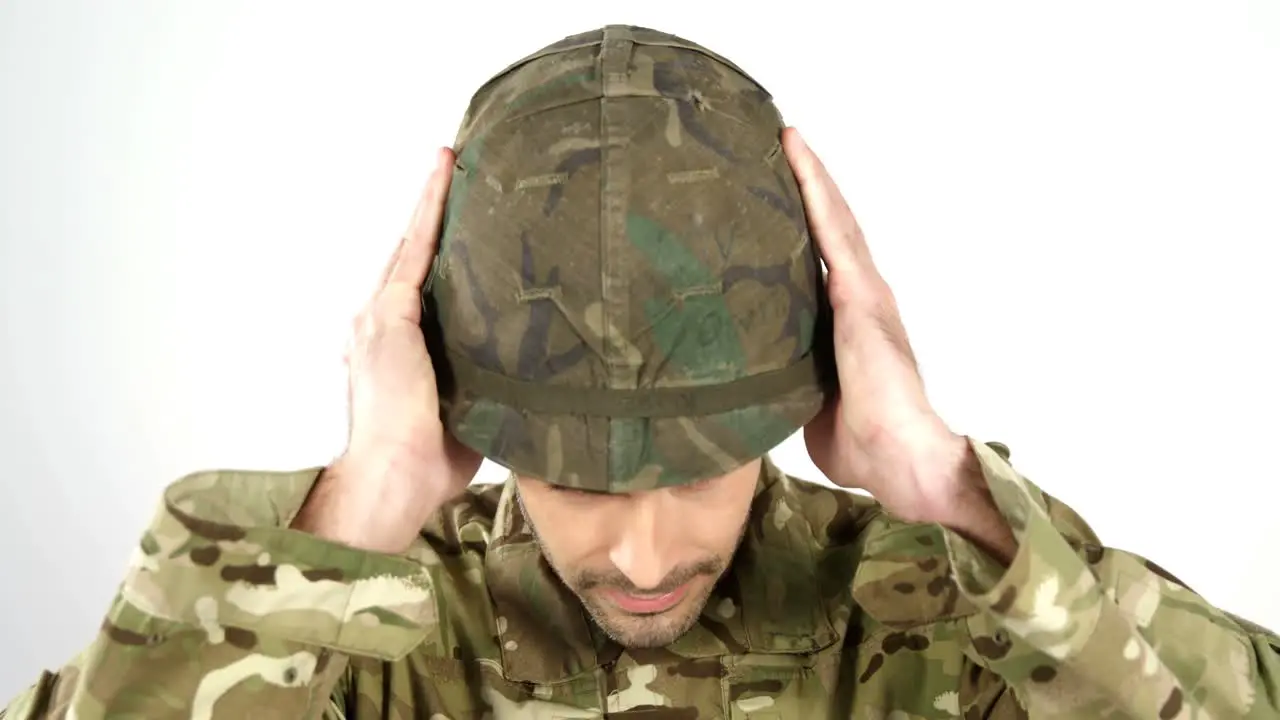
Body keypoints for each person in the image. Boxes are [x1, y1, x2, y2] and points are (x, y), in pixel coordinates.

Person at [4, 24, 1277, 720]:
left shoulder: (944, 629)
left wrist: (943, 487)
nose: (648, 553)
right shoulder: (350, 648)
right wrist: (359, 501)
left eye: (701, 465)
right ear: (466, 415)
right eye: (575, 475)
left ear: (807, 394)